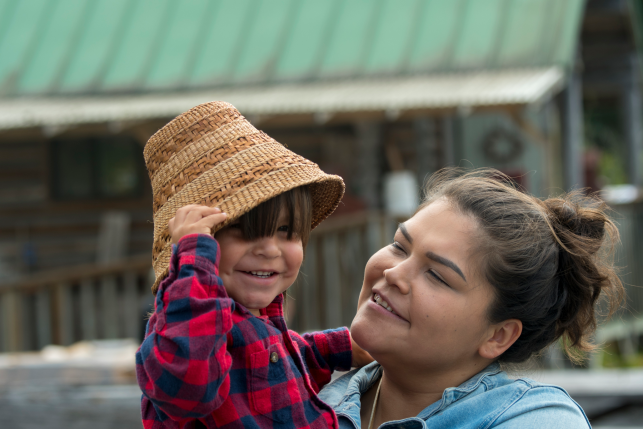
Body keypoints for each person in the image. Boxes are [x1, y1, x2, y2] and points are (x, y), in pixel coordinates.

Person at [319, 168, 624, 429]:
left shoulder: (536, 419)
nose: (394, 273)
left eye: (436, 275)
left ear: (498, 335)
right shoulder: (308, 398)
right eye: (399, 246)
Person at [136, 101, 371, 429]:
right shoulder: (184, 324)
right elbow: (190, 388)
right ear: (201, 246)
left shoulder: (255, 318)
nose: (269, 249)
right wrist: (192, 260)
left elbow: (276, 366)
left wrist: (340, 348)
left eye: (286, 231)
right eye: (246, 233)